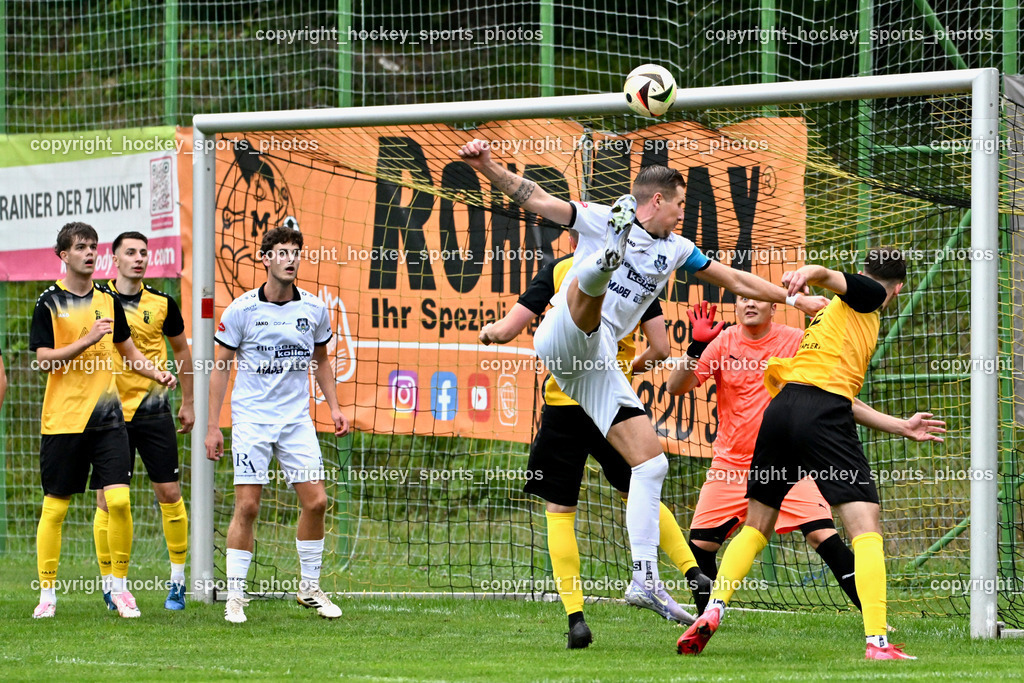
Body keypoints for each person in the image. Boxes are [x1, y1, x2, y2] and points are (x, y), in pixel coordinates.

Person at [457, 138, 827, 616]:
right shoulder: (598, 216)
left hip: (592, 365)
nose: (681, 215)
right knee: (590, 282)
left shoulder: (677, 249)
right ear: (656, 201)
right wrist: (487, 167)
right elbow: (535, 197)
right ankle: (604, 260)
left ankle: (644, 579)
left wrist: (794, 300)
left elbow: (735, 280)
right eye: (677, 206)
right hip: (564, 333)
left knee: (651, 466)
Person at [676, 250, 946, 660]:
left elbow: (839, 392)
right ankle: (877, 642)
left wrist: (900, 425)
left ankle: (714, 607)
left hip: (782, 409)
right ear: (898, 289)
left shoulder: (837, 319)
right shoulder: (871, 295)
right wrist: (808, 274)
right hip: (820, 415)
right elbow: (830, 277)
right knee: (865, 526)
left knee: (757, 525)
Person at [480, 230, 710, 648]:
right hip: (609, 403)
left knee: (560, 511)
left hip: (564, 402)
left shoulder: (559, 269)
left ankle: (576, 619)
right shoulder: (640, 275)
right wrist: (632, 366)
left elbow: (509, 329)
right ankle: (693, 574)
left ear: (576, 236)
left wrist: (489, 333)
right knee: (643, 486)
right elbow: (660, 347)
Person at [666, 298, 862, 611]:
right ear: (737, 307)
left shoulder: (796, 341)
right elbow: (675, 387)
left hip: (790, 462)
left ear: (774, 309)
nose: (750, 303)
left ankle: (876, 622)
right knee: (699, 547)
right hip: (732, 465)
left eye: (759, 299)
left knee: (822, 536)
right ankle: (706, 621)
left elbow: (830, 385)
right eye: (743, 298)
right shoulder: (722, 342)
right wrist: (695, 346)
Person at [29, 222, 176, 619]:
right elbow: (42, 360)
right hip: (63, 420)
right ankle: (47, 594)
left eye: (94, 246)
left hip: (108, 419)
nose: (90, 253)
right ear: (64, 255)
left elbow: (128, 351)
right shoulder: (50, 302)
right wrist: (86, 340)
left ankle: (120, 589)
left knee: (120, 500)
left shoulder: (108, 302)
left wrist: (156, 373)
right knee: (56, 509)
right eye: (81, 247)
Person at [205, 226, 351, 624]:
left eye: (296, 253)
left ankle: (309, 589)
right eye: (282, 252)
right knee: (248, 506)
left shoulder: (315, 310)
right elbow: (220, 368)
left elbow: (321, 360)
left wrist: (335, 407)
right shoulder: (241, 310)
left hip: (295, 421)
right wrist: (213, 426)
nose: (290, 259)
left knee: (317, 501)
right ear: (265, 258)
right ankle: (235, 596)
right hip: (251, 419)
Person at [92, 231, 194, 611]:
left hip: (153, 411)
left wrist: (189, 401)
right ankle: (111, 584)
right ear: (114, 259)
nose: (138, 258)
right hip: (108, 412)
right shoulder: (98, 301)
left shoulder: (163, 302)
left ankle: (178, 583)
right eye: (130, 252)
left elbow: (182, 350)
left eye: (143, 253)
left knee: (169, 494)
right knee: (107, 500)